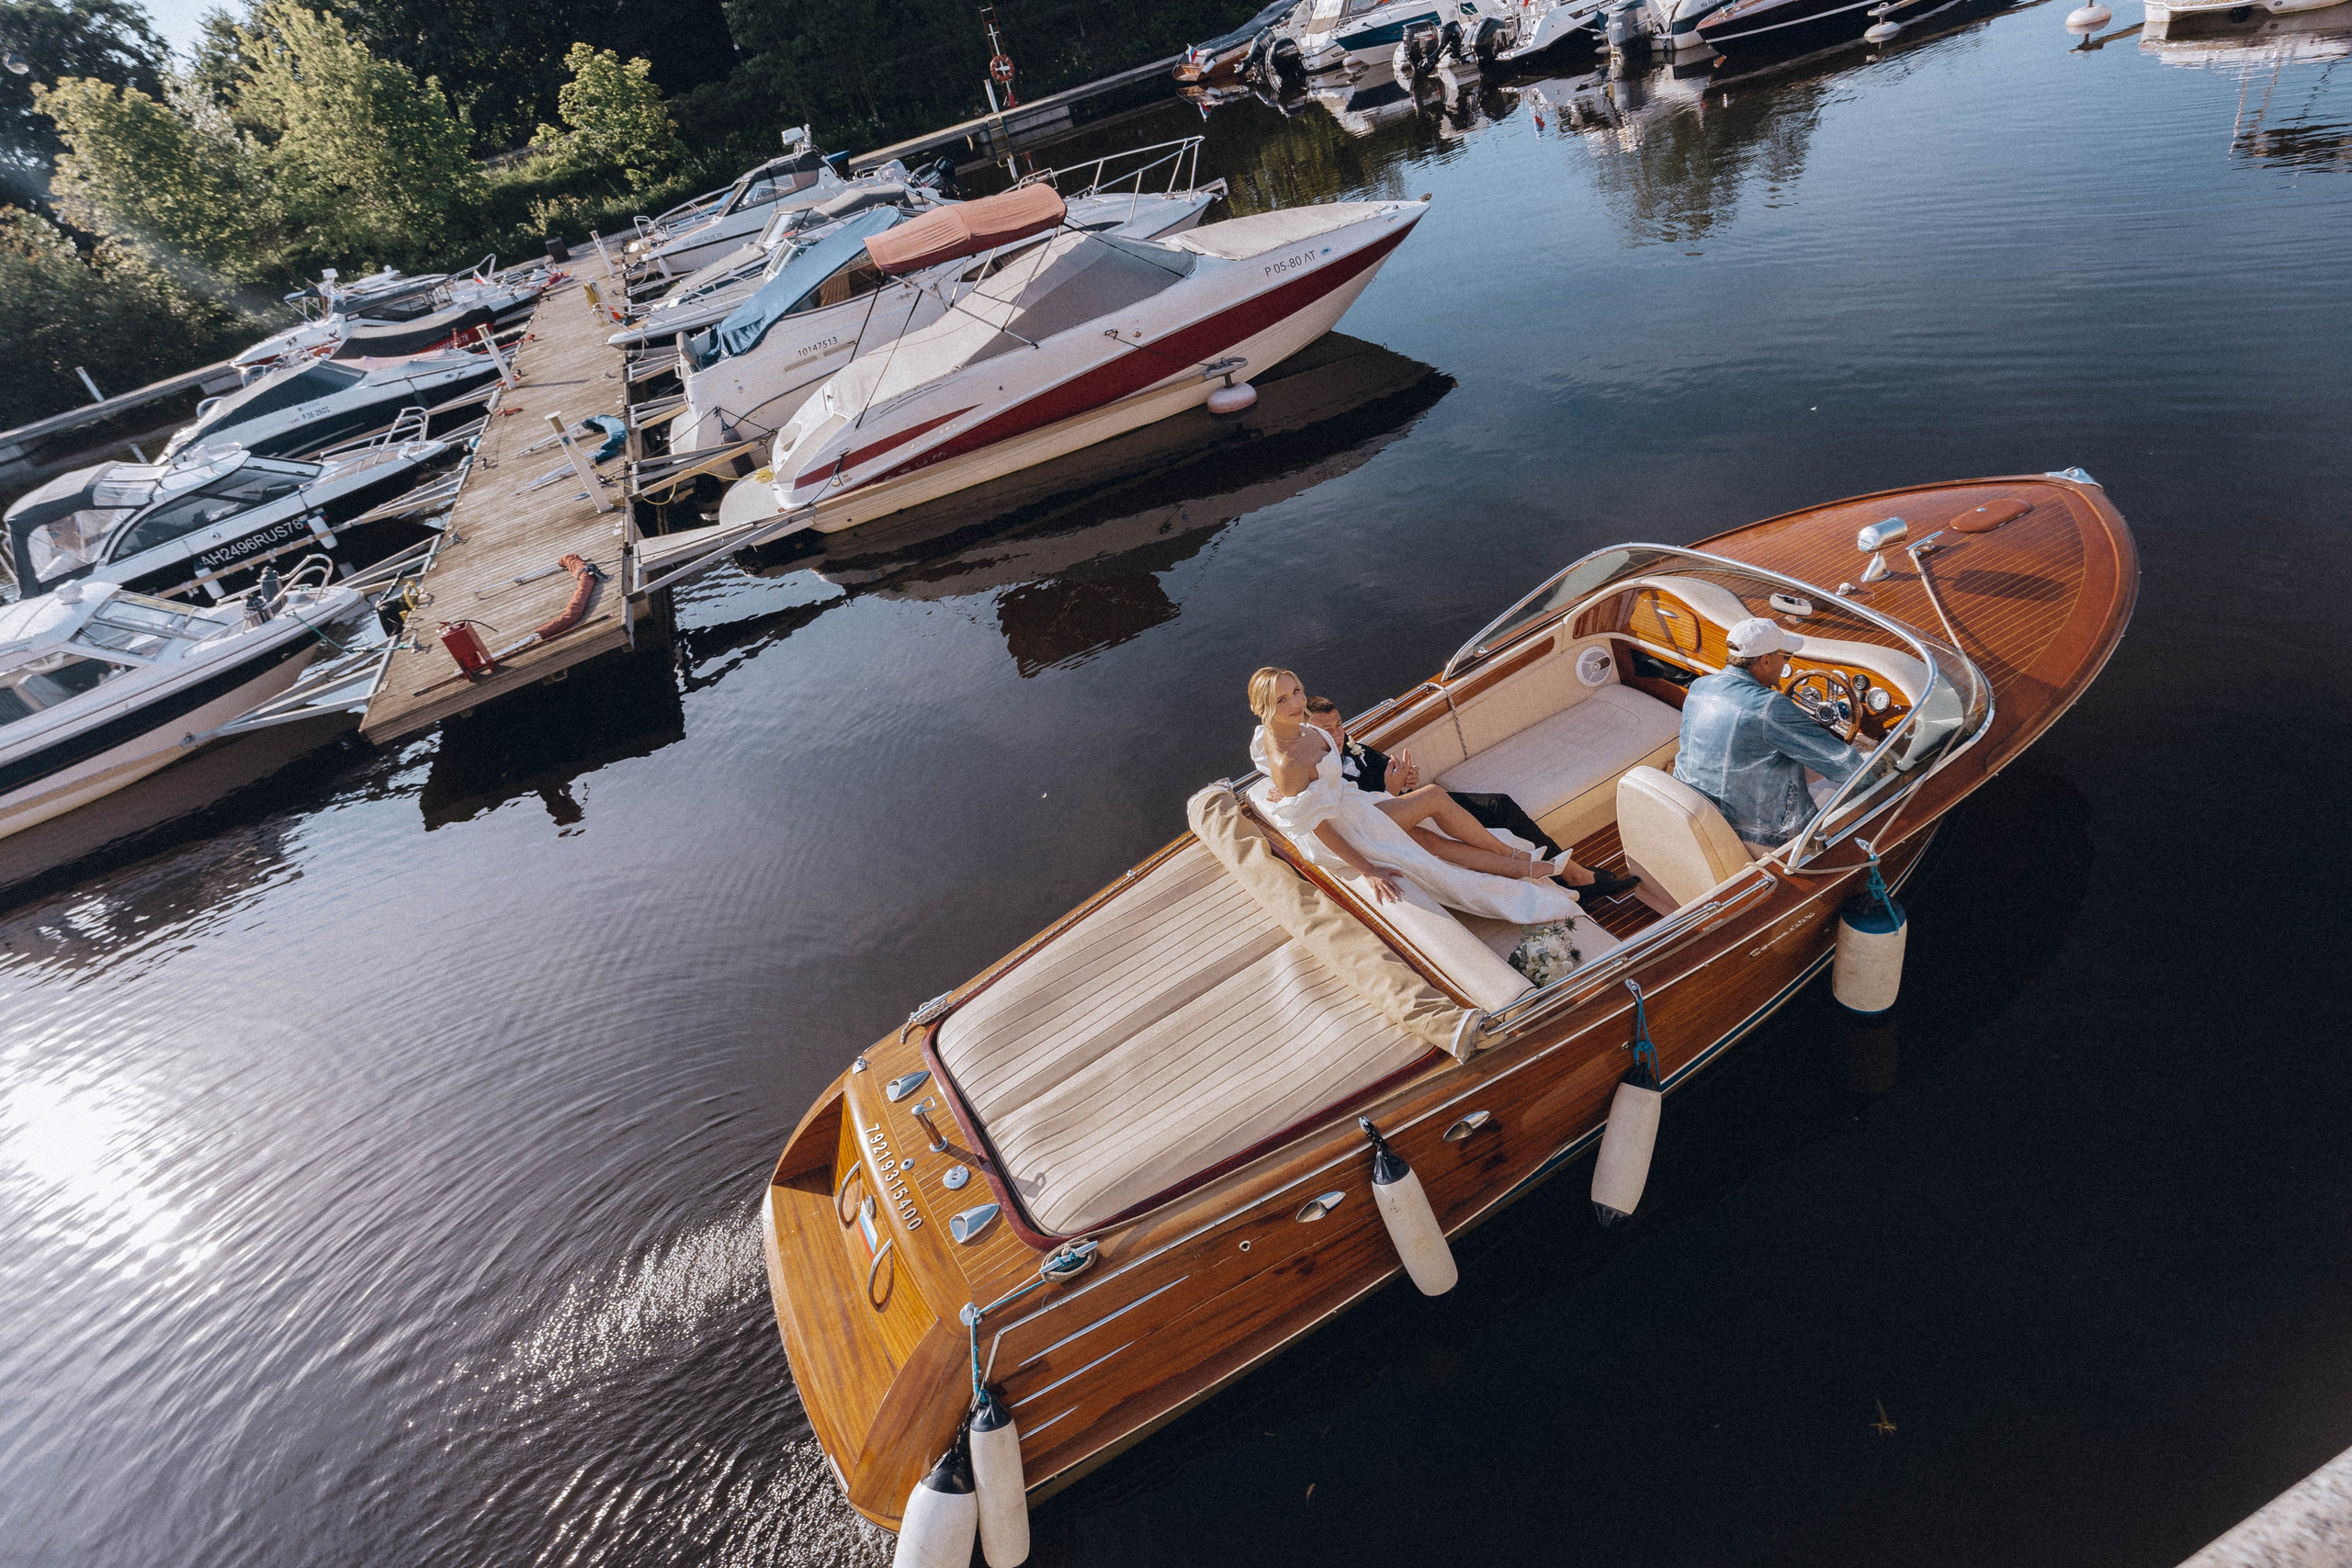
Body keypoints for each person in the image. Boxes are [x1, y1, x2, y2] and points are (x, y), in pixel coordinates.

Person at [1246, 667, 1585, 925]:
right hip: (1348, 826)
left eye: (1296, 692)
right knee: (1434, 796)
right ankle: (1510, 854)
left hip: (1357, 805)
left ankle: (1527, 868)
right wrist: (1367, 869)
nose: (1296, 703)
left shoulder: (1301, 730)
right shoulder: (1287, 762)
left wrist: (1289, 794)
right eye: (1282, 699)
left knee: (1433, 843)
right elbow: (1317, 824)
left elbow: (1282, 764)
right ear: (1261, 706)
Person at [1302, 694, 1641, 901]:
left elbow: (1385, 773)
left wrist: (1405, 779)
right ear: (1308, 732)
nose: (1337, 734)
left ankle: (1570, 872)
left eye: (1339, 724)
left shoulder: (1347, 745)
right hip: (1390, 819)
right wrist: (1393, 790)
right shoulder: (1313, 768)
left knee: (1500, 804)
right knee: (1497, 808)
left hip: (1405, 805)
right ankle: (1575, 878)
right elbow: (1364, 811)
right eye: (1327, 729)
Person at [1672, 617, 1867, 846]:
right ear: (1765, 661)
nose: (1785, 665)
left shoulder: (1699, 687)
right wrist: (1881, 779)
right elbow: (1846, 766)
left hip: (1702, 812)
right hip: (1758, 834)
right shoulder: (1769, 706)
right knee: (1861, 770)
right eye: (1786, 657)